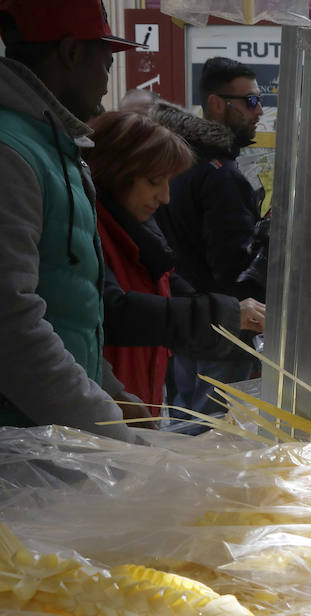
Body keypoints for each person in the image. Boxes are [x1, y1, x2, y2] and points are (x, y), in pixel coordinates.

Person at [0, 0, 149, 441]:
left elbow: (69, 302)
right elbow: (11, 324)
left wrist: (109, 389)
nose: (106, 86)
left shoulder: (55, 146)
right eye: (105, 64)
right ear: (70, 52)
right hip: (21, 453)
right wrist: (105, 424)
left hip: (56, 436)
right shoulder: (11, 153)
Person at [83, 111, 266, 409]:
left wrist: (227, 312)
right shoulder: (92, 230)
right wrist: (225, 311)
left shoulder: (138, 230)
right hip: (107, 408)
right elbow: (116, 311)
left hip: (139, 398)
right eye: (155, 181)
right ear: (114, 173)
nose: (165, 197)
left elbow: (168, 286)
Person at [151, 57, 265, 413]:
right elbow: (233, 266)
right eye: (249, 101)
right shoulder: (219, 176)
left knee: (185, 424)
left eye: (260, 100)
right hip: (222, 331)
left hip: (185, 323)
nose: (259, 110)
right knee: (215, 436)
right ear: (217, 104)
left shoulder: (178, 161)